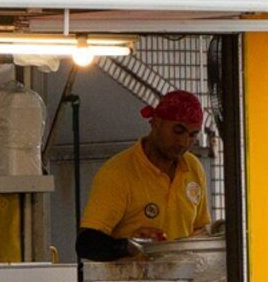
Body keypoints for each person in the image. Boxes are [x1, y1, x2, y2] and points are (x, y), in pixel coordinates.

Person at [78, 90, 209, 261]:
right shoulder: (118, 173)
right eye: (178, 130)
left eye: (192, 135)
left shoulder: (194, 168)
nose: (184, 142)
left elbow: (199, 230)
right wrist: (130, 245)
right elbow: (87, 244)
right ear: (156, 123)